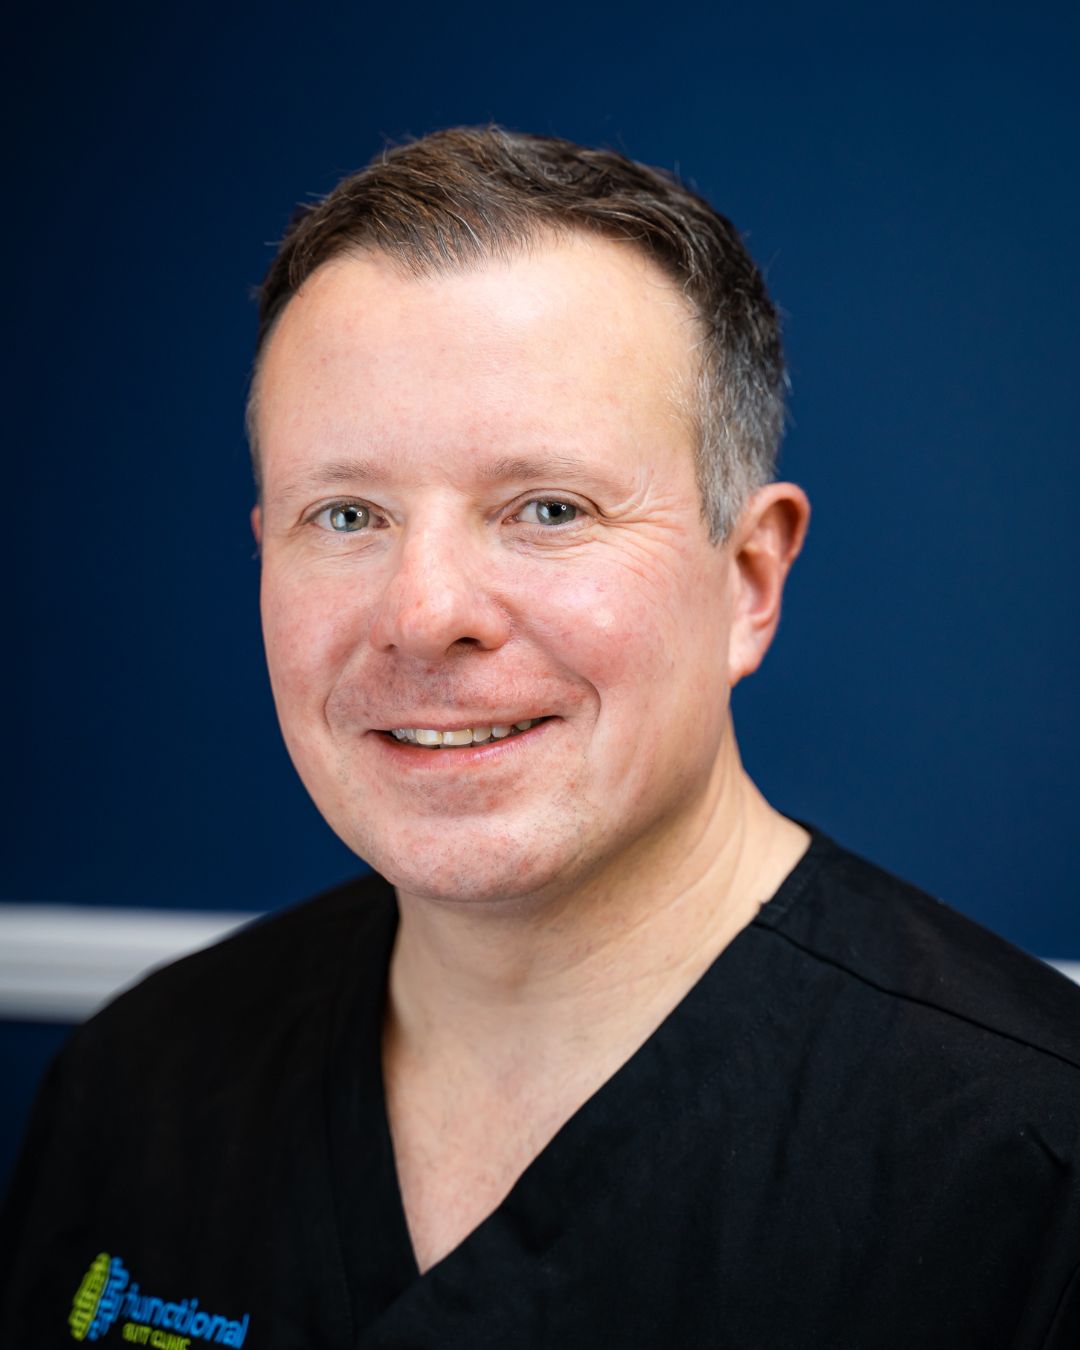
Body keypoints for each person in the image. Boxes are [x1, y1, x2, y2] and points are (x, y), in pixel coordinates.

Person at [2, 126, 1078, 1349]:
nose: (424, 614)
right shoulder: (141, 1084)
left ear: (749, 580)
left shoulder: (1029, 1170)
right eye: (347, 515)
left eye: (549, 509)